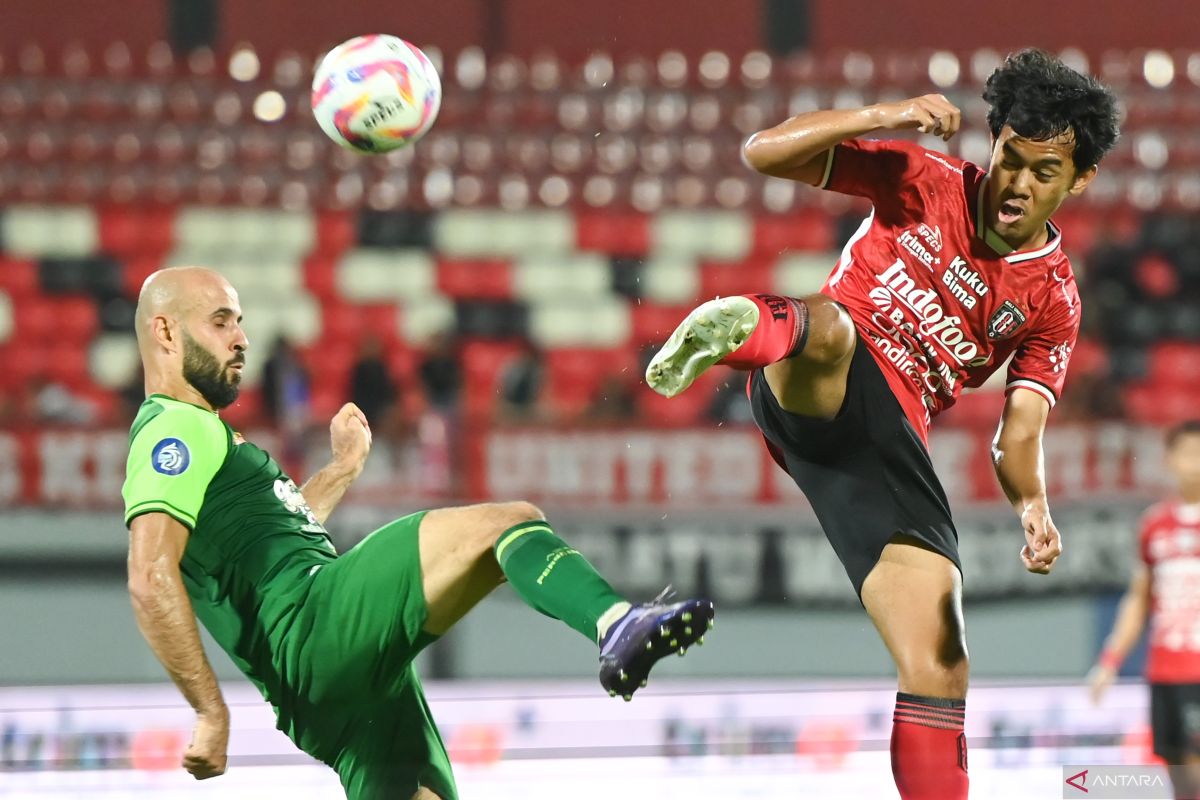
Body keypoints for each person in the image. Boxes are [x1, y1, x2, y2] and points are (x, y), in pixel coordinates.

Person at [644, 49, 1119, 800]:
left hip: (883, 448)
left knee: (941, 657)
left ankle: (748, 324)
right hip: (812, 371)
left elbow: (1018, 434)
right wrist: (884, 115)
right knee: (834, 332)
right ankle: (740, 329)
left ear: (1079, 179)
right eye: (1011, 158)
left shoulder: (1052, 299)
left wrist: (1033, 508)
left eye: (1044, 172)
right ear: (993, 143)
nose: (1017, 185)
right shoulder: (923, 179)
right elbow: (762, 152)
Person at [122, 266, 714, 800]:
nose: (241, 339)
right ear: (167, 333)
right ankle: (615, 624)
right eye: (221, 321)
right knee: (508, 524)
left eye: (240, 322)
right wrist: (210, 711)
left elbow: (276, 537)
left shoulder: (202, 437)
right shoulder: (175, 429)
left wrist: (342, 470)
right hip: (313, 624)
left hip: (322, 699)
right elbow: (150, 575)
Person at [1089, 421, 1200, 800]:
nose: (1195, 463)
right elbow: (1139, 598)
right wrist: (1109, 660)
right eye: (1188, 453)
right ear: (1169, 460)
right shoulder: (1155, 525)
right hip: (1166, 670)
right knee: (1178, 773)